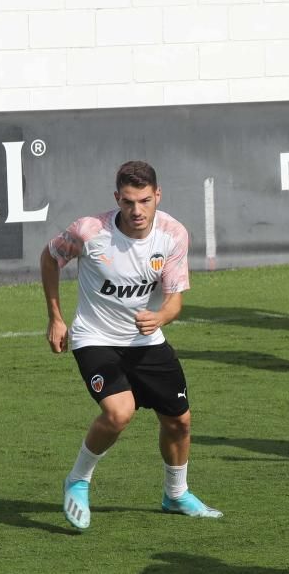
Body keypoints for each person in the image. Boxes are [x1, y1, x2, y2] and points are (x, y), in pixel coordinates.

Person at [41, 161, 221, 531]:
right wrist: (56, 317)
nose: (136, 211)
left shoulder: (172, 235)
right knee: (120, 413)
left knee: (179, 421)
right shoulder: (89, 232)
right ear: (116, 199)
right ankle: (78, 480)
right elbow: (49, 258)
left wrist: (161, 318)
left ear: (157, 196)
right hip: (95, 338)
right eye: (127, 202)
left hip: (146, 340)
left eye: (144, 201)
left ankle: (175, 494)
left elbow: (173, 300)